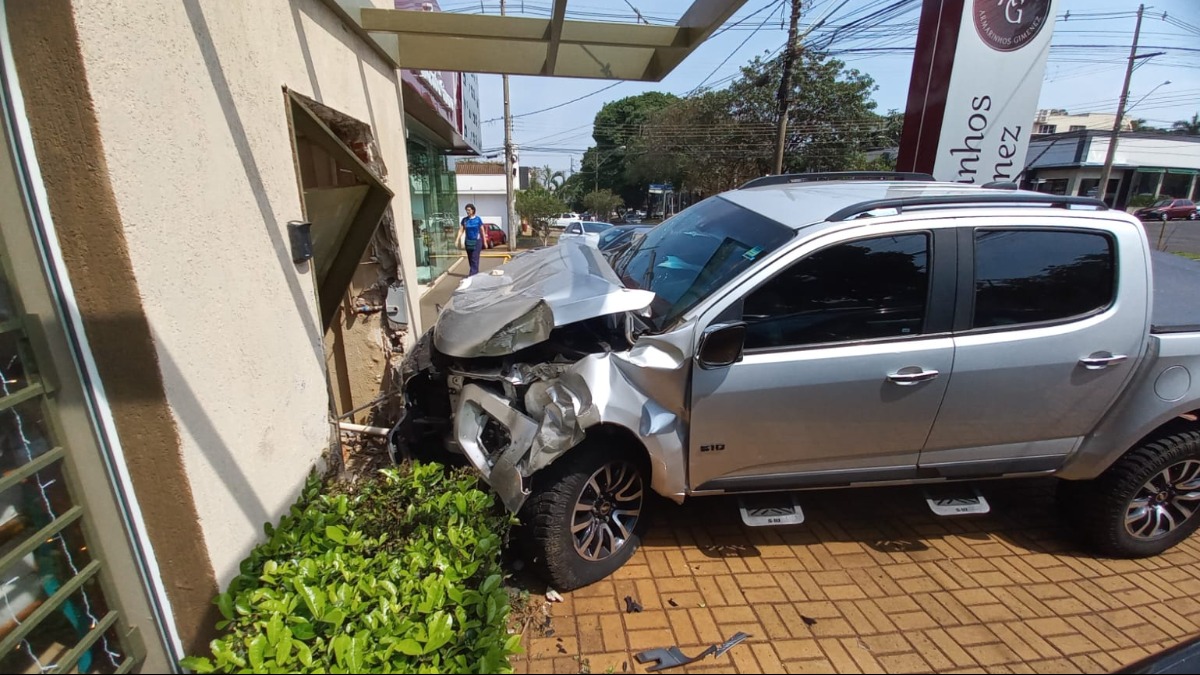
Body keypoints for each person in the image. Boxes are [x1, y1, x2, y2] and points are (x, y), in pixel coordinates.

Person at [459, 203, 487, 276]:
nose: (467, 212)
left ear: (473, 210)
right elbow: (461, 230)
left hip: (476, 241)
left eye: (469, 210)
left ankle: (472, 275)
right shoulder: (465, 220)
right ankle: (475, 272)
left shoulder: (478, 219)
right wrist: (457, 239)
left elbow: (482, 230)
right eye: (466, 210)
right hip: (468, 242)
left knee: (474, 258)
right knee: (470, 258)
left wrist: (485, 241)